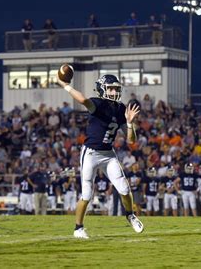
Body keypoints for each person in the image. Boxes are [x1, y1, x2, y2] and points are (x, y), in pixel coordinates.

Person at [57, 73, 144, 239]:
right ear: (102, 89)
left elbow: (131, 140)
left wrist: (130, 123)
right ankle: (78, 228)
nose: (114, 91)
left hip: (108, 153)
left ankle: (130, 215)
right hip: (90, 153)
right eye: (110, 88)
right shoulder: (97, 103)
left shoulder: (120, 109)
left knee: (124, 188)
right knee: (87, 194)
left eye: (115, 89)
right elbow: (82, 100)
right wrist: (64, 85)